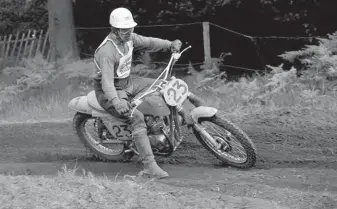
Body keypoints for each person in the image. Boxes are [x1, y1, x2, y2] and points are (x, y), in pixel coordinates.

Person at [93, 7, 182, 179]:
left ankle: (171, 123)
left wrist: (169, 44)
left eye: (130, 28)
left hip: (128, 82)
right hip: (110, 91)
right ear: (115, 29)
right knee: (137, 118)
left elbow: (149, 42)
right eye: (124, 29)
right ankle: (149, 166)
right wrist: (116, 102)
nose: (128, 32)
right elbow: (107, 83)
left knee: (164, 86)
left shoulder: (130, 39)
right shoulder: (107, 52)